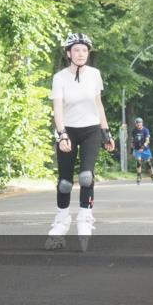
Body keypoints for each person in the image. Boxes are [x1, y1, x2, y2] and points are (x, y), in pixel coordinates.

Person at [46, 33, 114, 251]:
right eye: (76, 50)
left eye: (84, 50)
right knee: (65, 182)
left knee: (86, 176)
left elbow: (98, 104)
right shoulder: (60, 77)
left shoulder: (95, 75)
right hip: (68, 131)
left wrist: (106, 132)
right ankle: (61, 223)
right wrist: (62, 133)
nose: (81, 54)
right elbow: (57, 108)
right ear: (69, 53)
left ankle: (85, 218)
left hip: (91, 130)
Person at [131, 117, 153, 185]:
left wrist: (143, 147)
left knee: (148, 163)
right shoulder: (134, 131)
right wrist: (131, 149)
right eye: (137, 123)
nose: (138, 125)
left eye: (139, 123)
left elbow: (147, 140)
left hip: (145, 149)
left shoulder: (145, 130)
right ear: (135, 124)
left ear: (142, 123)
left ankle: (152, 176)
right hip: (137, 149)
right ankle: (139, 176)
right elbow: (132, 141)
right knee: (138, 161)